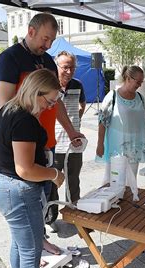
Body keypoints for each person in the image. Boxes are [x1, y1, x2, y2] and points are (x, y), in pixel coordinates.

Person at [0, 12, 84, 256]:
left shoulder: (47, 60)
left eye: (51, 41)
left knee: (43, 196)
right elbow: (6, 107)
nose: (47, 46)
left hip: (47, 142)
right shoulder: (10, 58)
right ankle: (33, 246)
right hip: (24, 142)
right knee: (28, 199)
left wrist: (71, 130)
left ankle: (40, 239)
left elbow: (57, 101)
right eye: (45, 39)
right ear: (31, 31)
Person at [0, 69, 65, 268]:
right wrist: (54, 175)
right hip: (19, 190)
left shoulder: (8, 108)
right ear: (35, 91)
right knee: (30, 247)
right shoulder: (25, 120)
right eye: (49, 100)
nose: (50, 106)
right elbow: (26, 170)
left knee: (20, 243)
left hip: (5, 185)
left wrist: (7, 158)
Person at [47, 51, 87, 232]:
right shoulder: (50, 86)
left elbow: (82, 105)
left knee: (73, 182)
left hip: (74, 144)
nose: (69, 71)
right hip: (55, 143)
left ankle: (73, 215)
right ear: (57, 66)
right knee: (53, 183)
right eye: (65, 67)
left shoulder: (78, 85)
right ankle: (51, 218)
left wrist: (75, 121)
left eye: (72, 67)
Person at [96, 65, 145, 183]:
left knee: (131, 180)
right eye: (138, 81)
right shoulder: (112, 96)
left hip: (134, 147)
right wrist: (100, 144)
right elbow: (102, 121)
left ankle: (128, 200)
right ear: (128, 78)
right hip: (117, 146)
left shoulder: (140, 97)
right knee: (113, 179)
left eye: (142, 82)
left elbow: (143, 119)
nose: (140, 85)